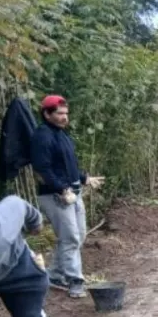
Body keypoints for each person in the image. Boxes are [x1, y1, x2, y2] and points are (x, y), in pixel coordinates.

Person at [30, 95, 103, 298]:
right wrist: (61, 189)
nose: (65, 117)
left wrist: (85, 178)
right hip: (56, 196)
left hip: (73, 193)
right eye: (60, 114)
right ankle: (75, 281)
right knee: (70, 238)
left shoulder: (61, 135)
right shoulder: (42, 136)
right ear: (47, 114)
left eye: (66, 113)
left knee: (79, 234)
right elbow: (42, 169)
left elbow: (67, 167)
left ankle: (54, 274)